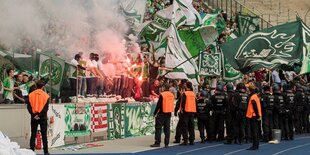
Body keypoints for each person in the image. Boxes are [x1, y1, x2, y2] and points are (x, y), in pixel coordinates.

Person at [26, 80, 50, 155]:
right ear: (43, 87)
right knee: (44, 135)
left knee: (33, 134)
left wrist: (34, 115)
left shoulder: (30, 95)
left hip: (33, 117)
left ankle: (31, 150)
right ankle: (46, 151)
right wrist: (39, 115)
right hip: (42, 117)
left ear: (36, 86)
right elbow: (46, 109)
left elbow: (28, 107)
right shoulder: (46, 96)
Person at [150, 84, 174, 148]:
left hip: (162, 113)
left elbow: (159, 105)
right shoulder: (172, 95)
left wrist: (154, 113)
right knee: (167, 129)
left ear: (163, 88)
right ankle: (166, 143)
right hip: (168, 113)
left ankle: (157, 142)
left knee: (158, 128)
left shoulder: (163, 95)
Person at [246, 84, 262, 150]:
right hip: (256, 115)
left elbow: (255, 107)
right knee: (256, 131)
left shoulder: (252, 97)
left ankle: (254, 145)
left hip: (253, 115)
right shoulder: (256, 96)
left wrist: (257, 115)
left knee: (254, 131)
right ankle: (256, 144)